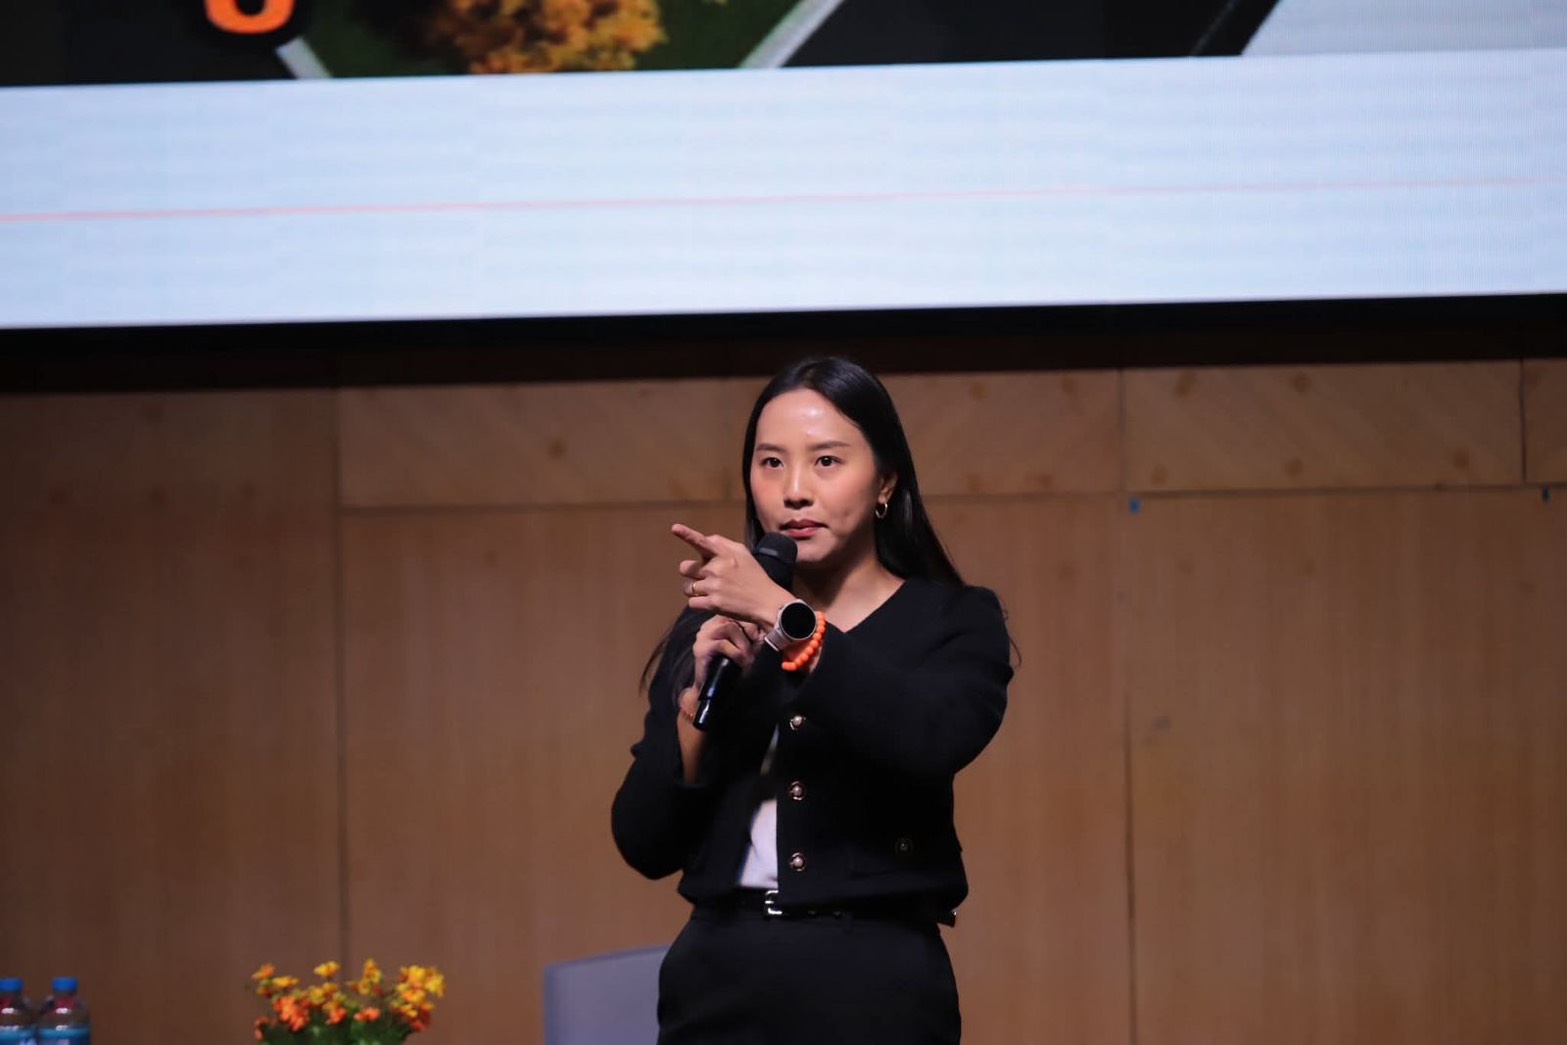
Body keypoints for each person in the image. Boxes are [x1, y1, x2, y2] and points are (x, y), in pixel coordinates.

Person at [611, 356, 1013, 1044]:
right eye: (771, 463)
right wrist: (696, 711)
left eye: (826, 461)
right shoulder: (714, 624)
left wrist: (786, 617)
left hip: (875, 982)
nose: (794, 491)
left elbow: (931, 737)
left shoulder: (953, 619)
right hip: (716, 977)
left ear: (885, 480)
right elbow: (643, 843)